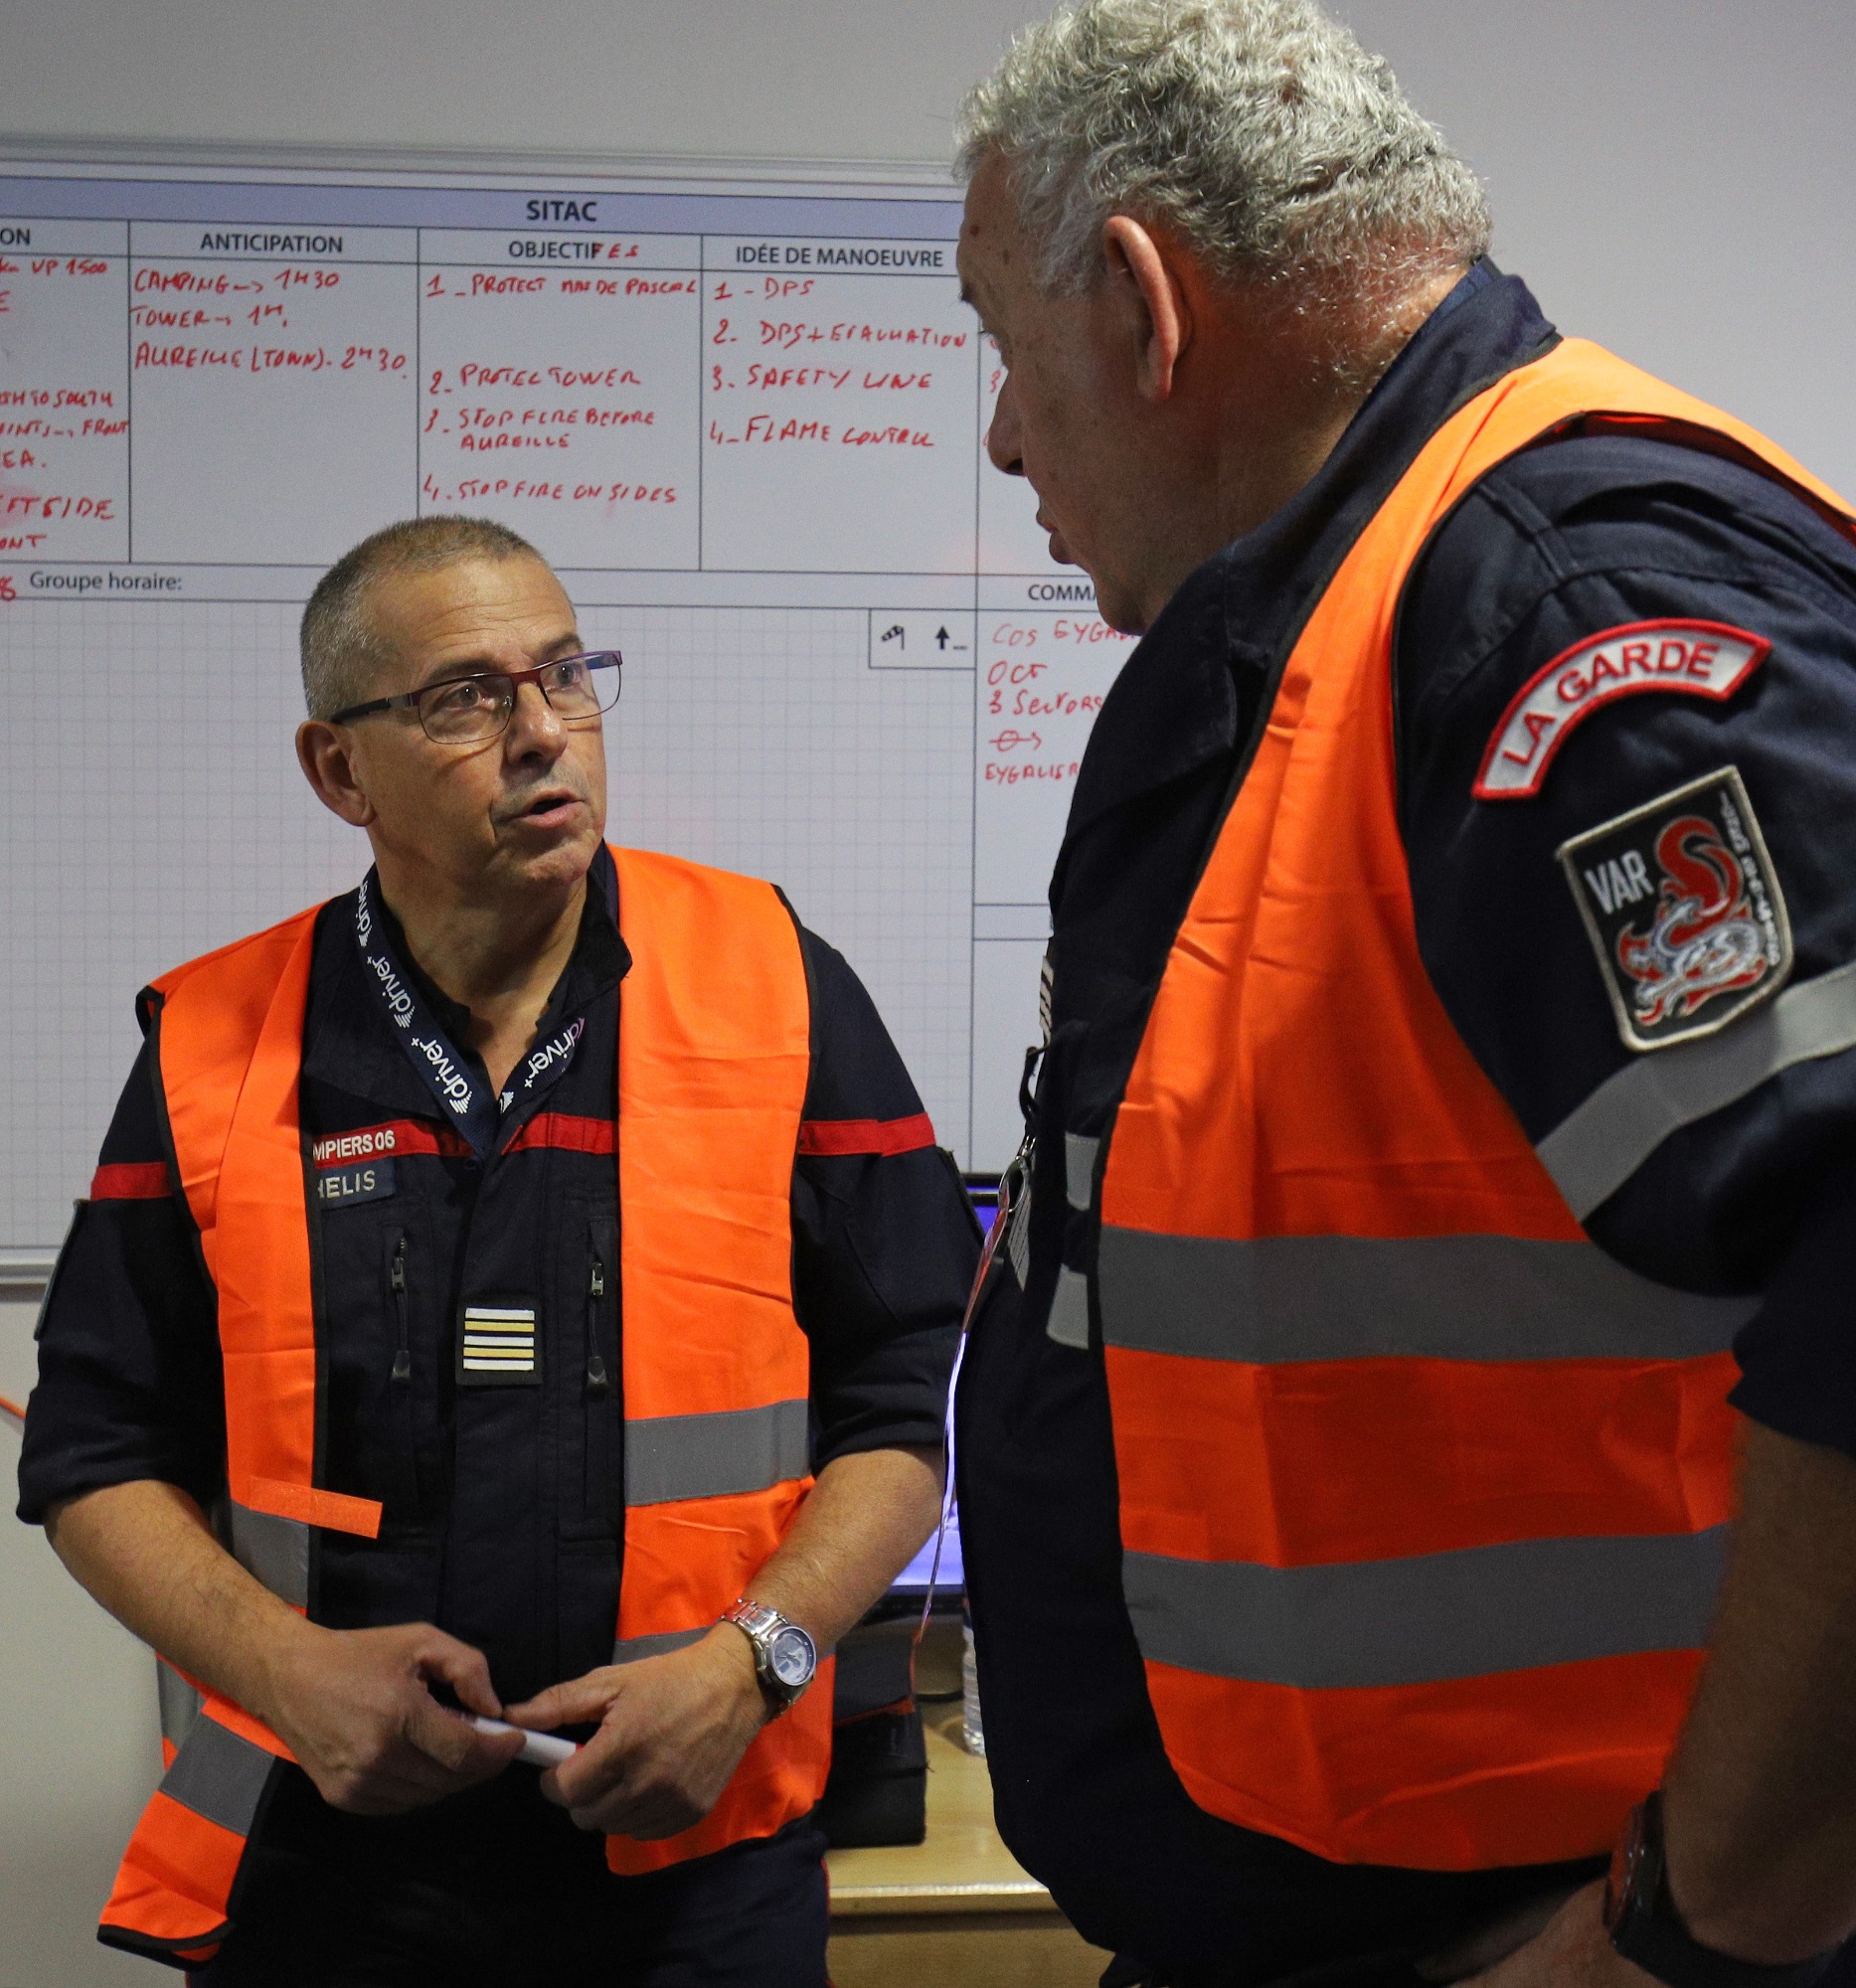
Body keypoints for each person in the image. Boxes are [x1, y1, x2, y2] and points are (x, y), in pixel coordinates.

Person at [949, 5, 1856, 1986]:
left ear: (1144, 307)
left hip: (1555, 1933)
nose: (1005, 433)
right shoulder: (1344, 620)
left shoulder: (1558, 607)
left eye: (1005, 347)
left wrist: (1699, 1924)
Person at [16, 515, 977, 1986]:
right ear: (341, 771)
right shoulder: (217, 1043)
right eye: (465, 698)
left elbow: (914, 1390)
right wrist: (288, 1676)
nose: (542, 734)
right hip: (326, 1869)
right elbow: (92, 1454)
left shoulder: (774, 983)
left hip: (693, 1877)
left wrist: (754, 1661)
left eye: (565, 675)